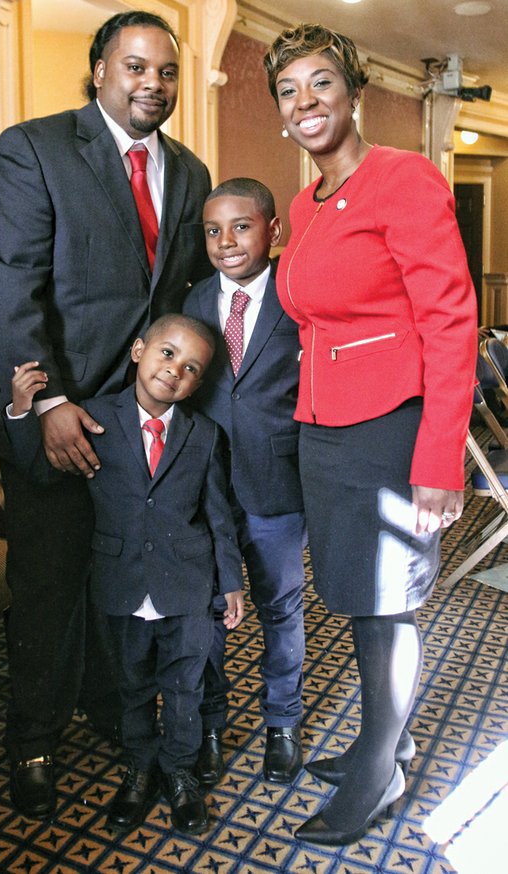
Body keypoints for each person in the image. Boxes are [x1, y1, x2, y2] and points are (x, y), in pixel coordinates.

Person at [0, 10, 212, 820]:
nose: (153, 84)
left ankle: (119, 714)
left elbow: (180, 301)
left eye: (167, 72)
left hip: (141, 423)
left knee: (127, 578)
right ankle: (35, 741)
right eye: (136, 67)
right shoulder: (35, 147)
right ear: (99, 70)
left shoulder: (190, 172)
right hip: (54, 412)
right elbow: (13, 290)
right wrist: (47, 401)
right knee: (46, 587)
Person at [263, 23, 477, 845]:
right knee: (358, 599)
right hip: (324, 430)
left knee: (387, 608)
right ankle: (380, 740)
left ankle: (379, 773)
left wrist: (439, 461)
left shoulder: (404, 179)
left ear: (354, 94)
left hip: (391, 431)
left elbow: (452, 322)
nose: (306, 102)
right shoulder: (303, 203)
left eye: (322, 84)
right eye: (289, 90)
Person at [7, 314, 245, 835]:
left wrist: (229, 582)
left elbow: (218, 515)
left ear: (198, 383)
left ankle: (179, 772)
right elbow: (42, 469)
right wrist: (25, 413)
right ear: (138, 350)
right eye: (166, 354)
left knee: (184, 689)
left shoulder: (204, 435)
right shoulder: (93, 418)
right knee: (132, 687)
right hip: (121, 582)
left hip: (187, 585)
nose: (173, 371)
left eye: (190, 368)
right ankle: (140, 770)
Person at [183, 178, 306, 786]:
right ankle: (209, 724)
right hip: (205, 490)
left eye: (241, 227)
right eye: (213, 230)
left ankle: (282, 720)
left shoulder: (297, 293)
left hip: (276, 482)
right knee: (207, 612)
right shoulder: (191, 301)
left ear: (272, 230)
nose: (226, 241)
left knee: (279, 607)